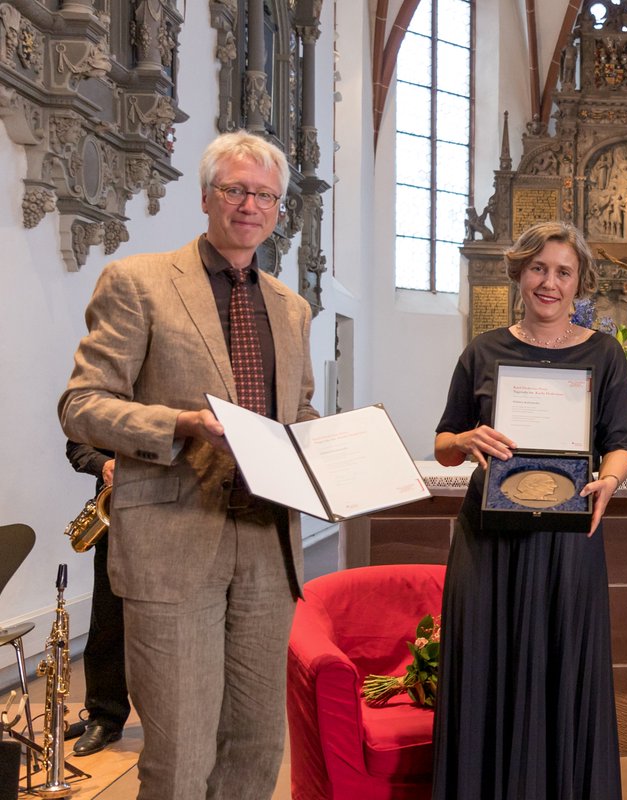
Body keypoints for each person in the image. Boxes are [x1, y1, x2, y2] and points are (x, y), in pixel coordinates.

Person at [59, 130, 318, 799]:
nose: (249, 205)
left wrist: (337, 454)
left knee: (256, 745)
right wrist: (180, 424)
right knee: (178, 755)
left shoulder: (292, 309)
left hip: (268, 543)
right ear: (206, 196)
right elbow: (82, 404)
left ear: (279, 209)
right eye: (235, 189)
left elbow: (301, 414)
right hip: (175, 543)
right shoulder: (138, 282)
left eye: (264, 195)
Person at [431, 221, 627, 800]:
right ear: (519, 273)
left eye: (564, 272)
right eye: (539, 269)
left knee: (563, 671)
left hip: (568, 536)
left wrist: (612, 480)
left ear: (580, 283)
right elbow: (444, 443)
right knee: (485, 672)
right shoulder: (483, 350)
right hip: (489, 539)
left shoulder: (604, 353)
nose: (550, 282)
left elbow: (620, 438)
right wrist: (467, 439)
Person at [64, 440, 130, 757]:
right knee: (107, 622)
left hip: (176, 517)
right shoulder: (105, 394)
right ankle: (105, 716)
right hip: (117, 516)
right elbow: (76, 446)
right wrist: (102, 464)